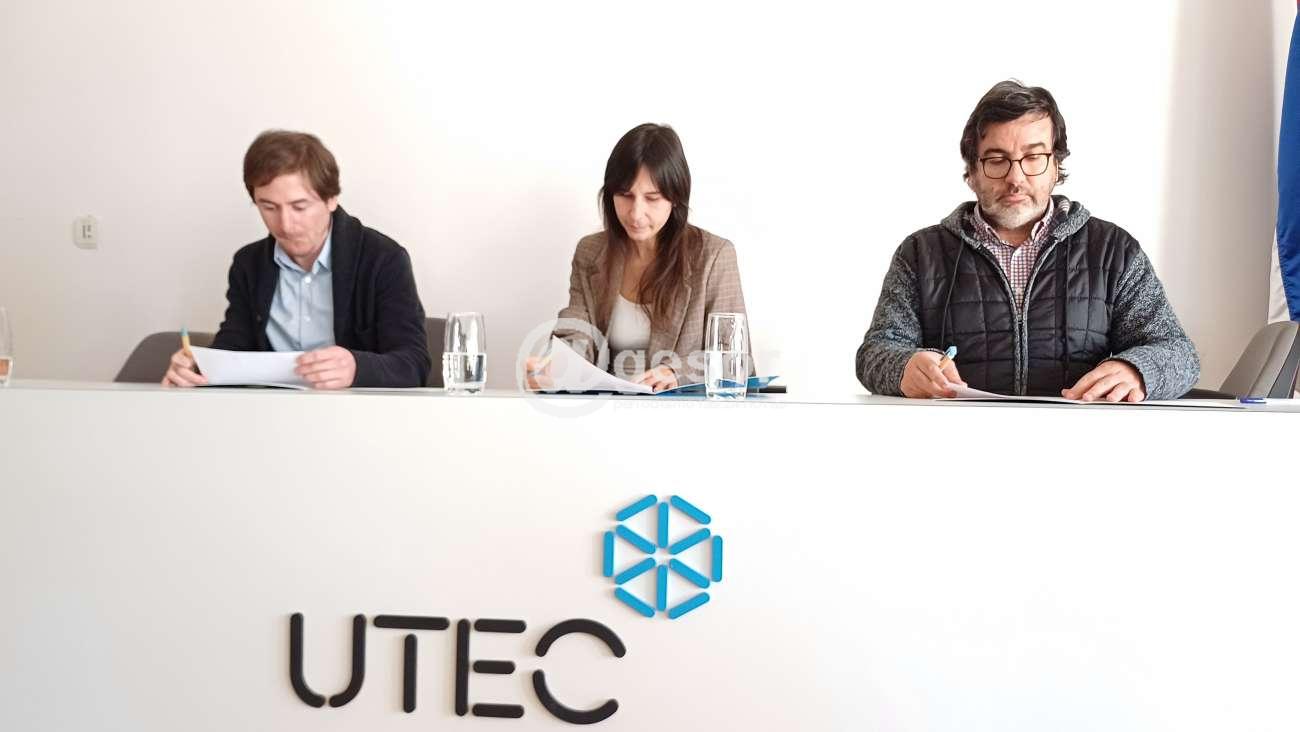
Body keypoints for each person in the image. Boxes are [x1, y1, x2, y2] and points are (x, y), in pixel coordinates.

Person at [856, 80, 1200, 401]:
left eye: (1033, 158)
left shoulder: (1113, 251)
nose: (1015, 178)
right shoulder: (921, 254)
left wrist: (1138, 371)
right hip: (958, 438)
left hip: (1082, 439)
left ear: (1056, 165)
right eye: (997, 160)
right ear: (972, 171)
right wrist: (904, 367)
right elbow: (875, 352)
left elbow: (1179, 354)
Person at [162, 130, 431, 389]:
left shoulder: (382, 258)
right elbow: (234, 350)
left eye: (299, 207)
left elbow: (414, 364)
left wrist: (357, 367)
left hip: (356, 411)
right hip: (269, 411)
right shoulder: (249, 264)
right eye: (268, 207)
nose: (286, 225)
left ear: (331, 199)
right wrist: (198, 368)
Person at [526, 123, 750, 391]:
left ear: (675, 198)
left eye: (652, 198)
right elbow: (577, 333)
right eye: (625, 195)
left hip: (682, 410)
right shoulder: (590, 252)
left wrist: (677, 373)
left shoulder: (713, 256)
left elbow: (736, 359)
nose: (635, 214)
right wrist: (558, 365)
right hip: (606, 406)